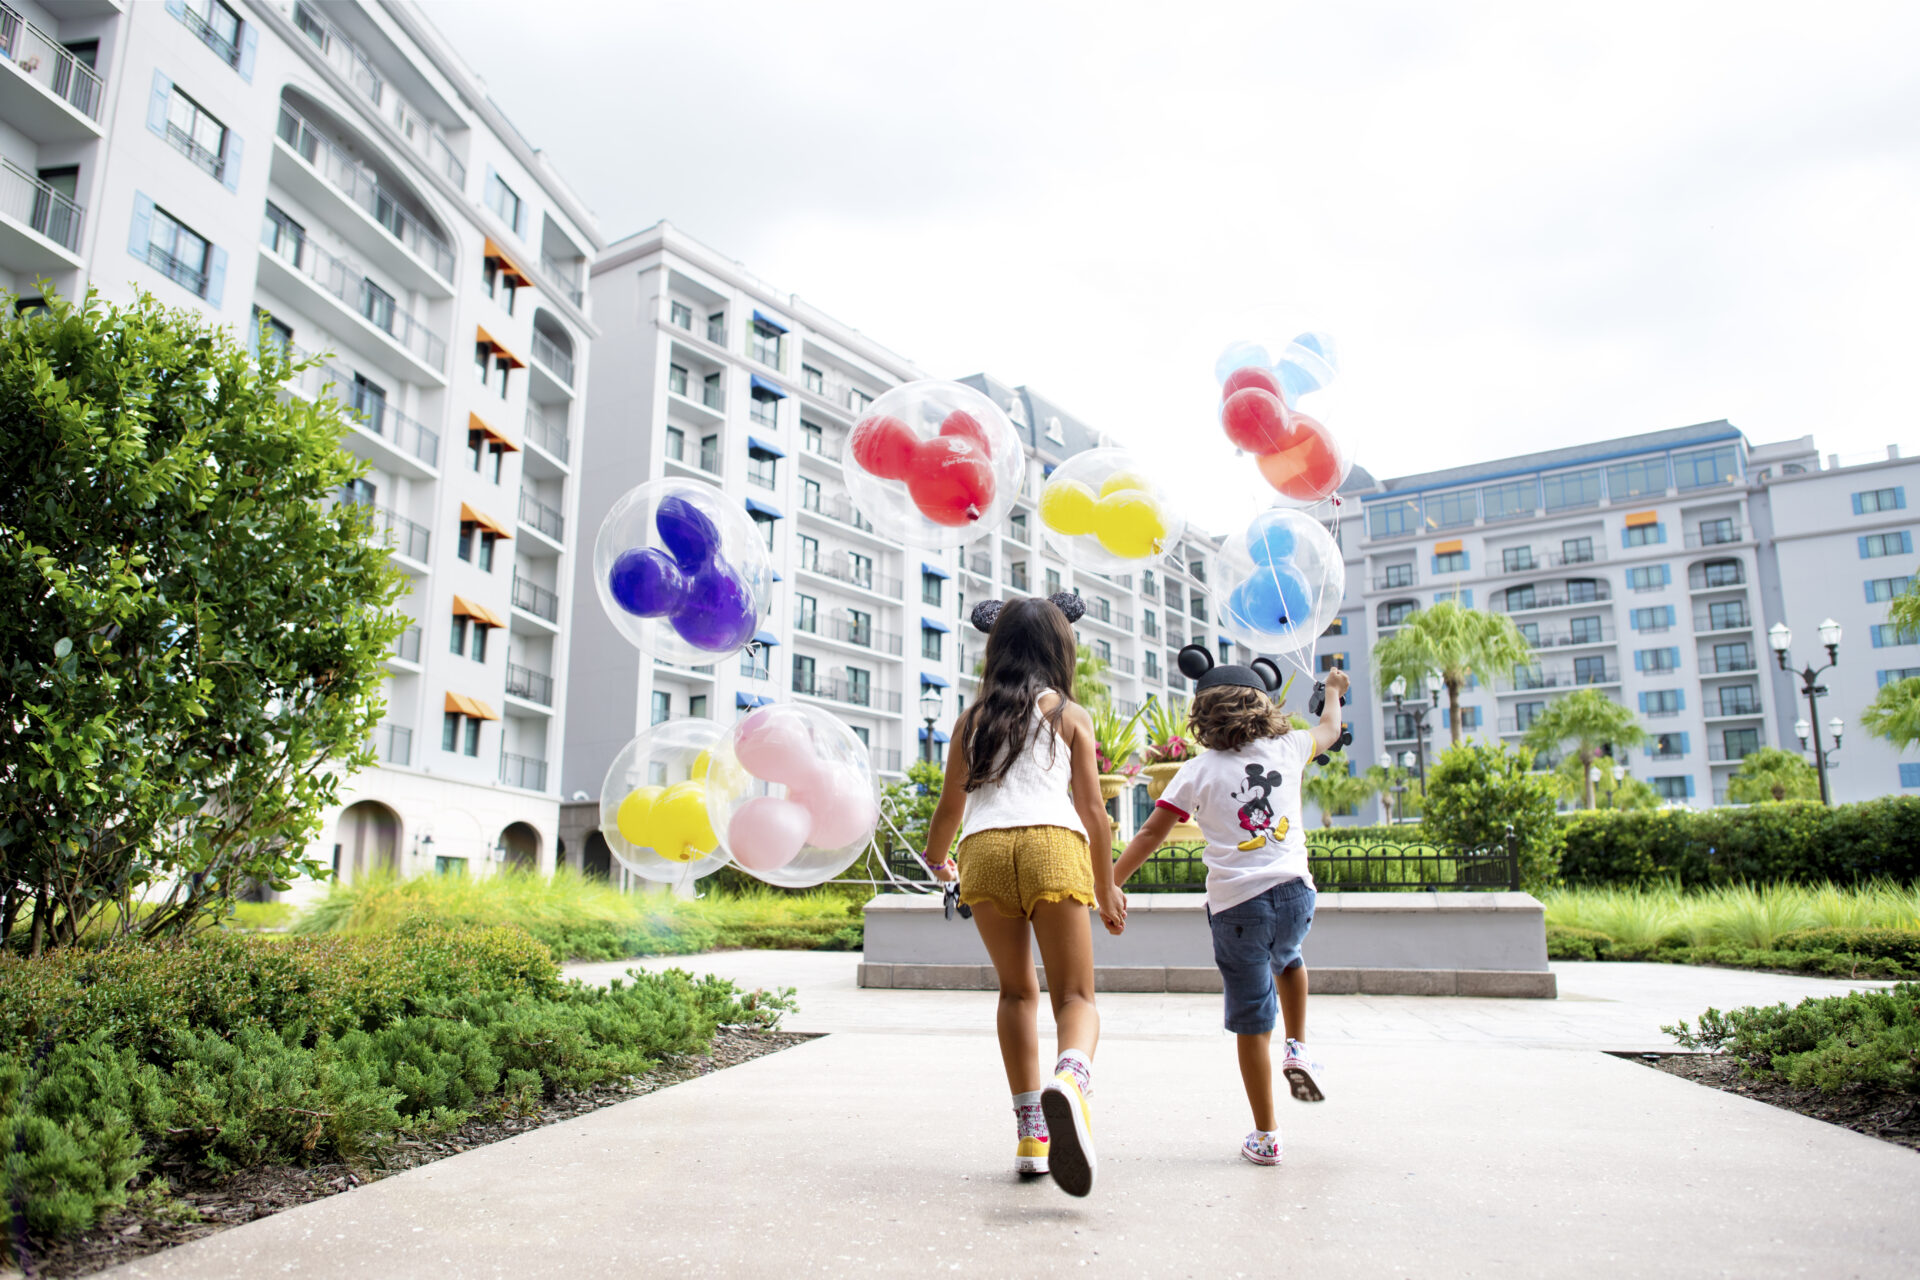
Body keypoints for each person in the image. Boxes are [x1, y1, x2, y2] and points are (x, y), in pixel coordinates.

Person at [1113, 647, 1349, 1167]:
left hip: (1237, 908)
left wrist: (1111, 882)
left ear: (1202, 715)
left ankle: (1266, 1135)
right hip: (1295, 895)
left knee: (1249, 1018)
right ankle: (1299, 1046)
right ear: (1263, 705)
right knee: (1289, 959)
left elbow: (1153, 832)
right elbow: (1329, 729)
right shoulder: (1289, 748)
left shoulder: (1197, 770)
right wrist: (1332, 690)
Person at [923, 594, 1126, 1198]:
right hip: (1052, 846)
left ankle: (1032, 1135)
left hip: (983, 854)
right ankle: (1071, 1077)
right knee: (1076, 996)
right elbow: (1095, 813)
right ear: (1059, 649)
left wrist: (939, 859)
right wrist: (1107, 885)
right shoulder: (1069, 713)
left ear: (998, 648)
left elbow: (949, 809)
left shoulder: (973, 717)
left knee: (1017, 992)